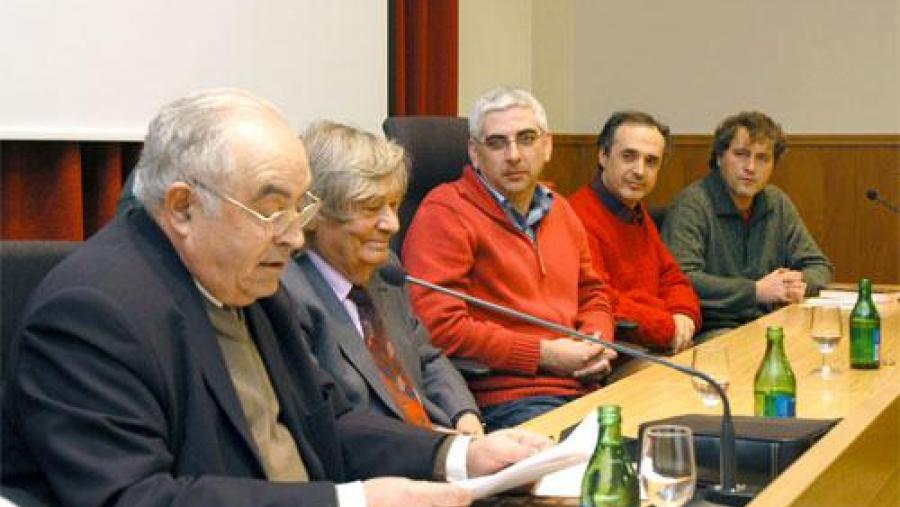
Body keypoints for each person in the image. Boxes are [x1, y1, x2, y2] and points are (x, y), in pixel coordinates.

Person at [0, 89, 550, 507]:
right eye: (272, 209)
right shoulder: (94, 312)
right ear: (183, 207)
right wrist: (352, 501)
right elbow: (136, 498)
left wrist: (458, 455)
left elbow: (326, 419)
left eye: (300, 207)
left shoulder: (248, 278)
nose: (294, 235)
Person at [402, 87, 616, 431]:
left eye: (526, 138)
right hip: (508, 398)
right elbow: (436, 326)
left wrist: (595, 340)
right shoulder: (445, 212)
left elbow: (594, 293)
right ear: (475, 152)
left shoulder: (561, 209)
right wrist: (544, 354)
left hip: (585, 384)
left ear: (547, 145)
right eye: (497, 143)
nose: (514, 155)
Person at [281, 121, 483, 437]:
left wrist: (465, 417)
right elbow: (335, 420)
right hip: (374, 465)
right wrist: (438, 451)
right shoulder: (288, 293)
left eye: (394, 204)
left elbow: (426, 357)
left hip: (437, 442)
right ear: (315, 213)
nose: (392, 224)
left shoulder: (384, 269)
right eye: (372, 208)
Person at [661, 111, 834, 339]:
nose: (751, 167)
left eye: (762, 158)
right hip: (712, 330)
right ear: (719, 157)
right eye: (741, 154)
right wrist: (755, 292)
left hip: (772, 322)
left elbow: (819, 265)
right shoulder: (692, 205)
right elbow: (682, 278)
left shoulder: (777, 202)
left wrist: (798, 283)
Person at [569, 111, 701, 354]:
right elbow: (602, 300)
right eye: (629, 156)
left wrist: (683, 313)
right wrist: (668, 326)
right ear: (603, 155)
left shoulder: (635, 211)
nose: (640, 170)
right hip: (615, 352)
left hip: (658, 342)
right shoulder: (576, 216)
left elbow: (673, 278)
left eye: (651, 161)